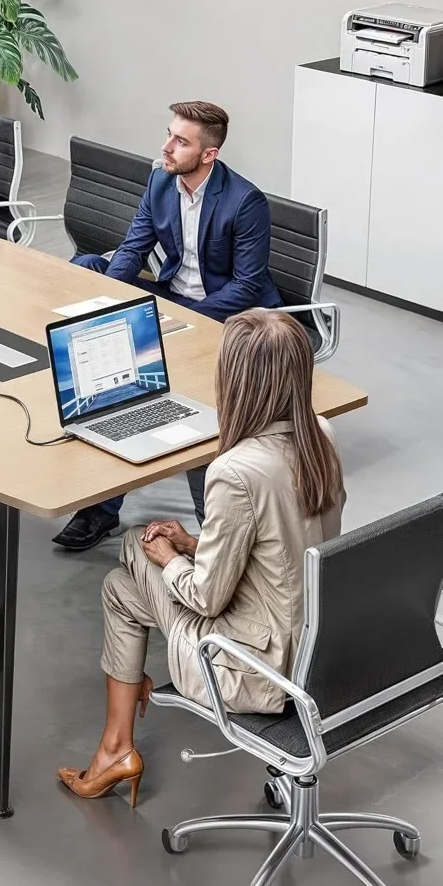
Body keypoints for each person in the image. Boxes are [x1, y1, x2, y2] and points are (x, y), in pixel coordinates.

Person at [56, 310, 344, 802]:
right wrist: (193, 544)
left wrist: (168, 556)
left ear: (237, 378)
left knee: (132, 546)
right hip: (317, 648)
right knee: (120, 591)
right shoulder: (320, 434)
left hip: (254, 670)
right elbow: (279, 546)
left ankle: (116, 750)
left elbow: (206, 598)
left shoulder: (236, 471)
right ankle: (115, 749)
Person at [54, 101, 282, 551]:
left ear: (209, 155)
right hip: (173, 297)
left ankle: (206, 525)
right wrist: (112, 303)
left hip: (228, 314)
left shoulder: (245, 202)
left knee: (146, 385)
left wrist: (180, 321)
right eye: (169, 134)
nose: (166, 147)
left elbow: (247, 285)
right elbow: (134, 247)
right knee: (90, 269)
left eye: (181, 141)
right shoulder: (161, 180)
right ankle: (102, 507)